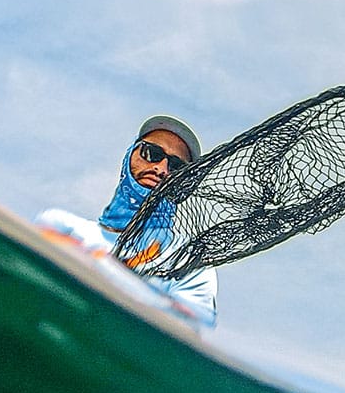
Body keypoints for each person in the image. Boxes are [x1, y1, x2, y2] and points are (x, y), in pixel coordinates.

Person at [35, 114, 219, 326]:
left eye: (177, 167)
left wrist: (98, 264)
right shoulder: (63, 225)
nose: (161, 169)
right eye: (152, 153)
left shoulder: (189, 261)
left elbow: (192, 327)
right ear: (129, 156)